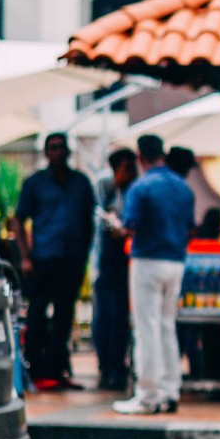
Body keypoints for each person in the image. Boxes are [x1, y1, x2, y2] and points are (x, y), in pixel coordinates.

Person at [115, 135, 194, 416]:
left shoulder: (141, 186)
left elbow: (129, 227)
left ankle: (147, 395)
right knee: (166, 327)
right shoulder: (183, 188)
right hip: (176, 262)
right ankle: (170, 390)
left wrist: (115, 225)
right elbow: (189, 227)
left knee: (146, 328)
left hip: (147, 260)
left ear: (140, 156)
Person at [15, 133, 97, 391]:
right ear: (46, 152)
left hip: (72, 258)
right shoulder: (35, 183)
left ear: (68, 151)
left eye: (61, 147)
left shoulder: (81, 182)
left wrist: (84, 252)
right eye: (53, 148)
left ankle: (57, 370)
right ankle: (37, 370)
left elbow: (89, 219)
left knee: (64, 315)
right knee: (38, 314)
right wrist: (25, 256)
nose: (58, 152)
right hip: (44, 258)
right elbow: (18, 219)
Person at [91, 148, 140, 392]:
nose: (130, 173)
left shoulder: (136, 187)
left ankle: (119, 366)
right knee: (105, 316)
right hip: (105, 260)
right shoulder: (103, 185)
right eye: (126, 168)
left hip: (126, 262)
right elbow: (101, 219)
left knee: (121, 317)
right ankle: (106, 365)